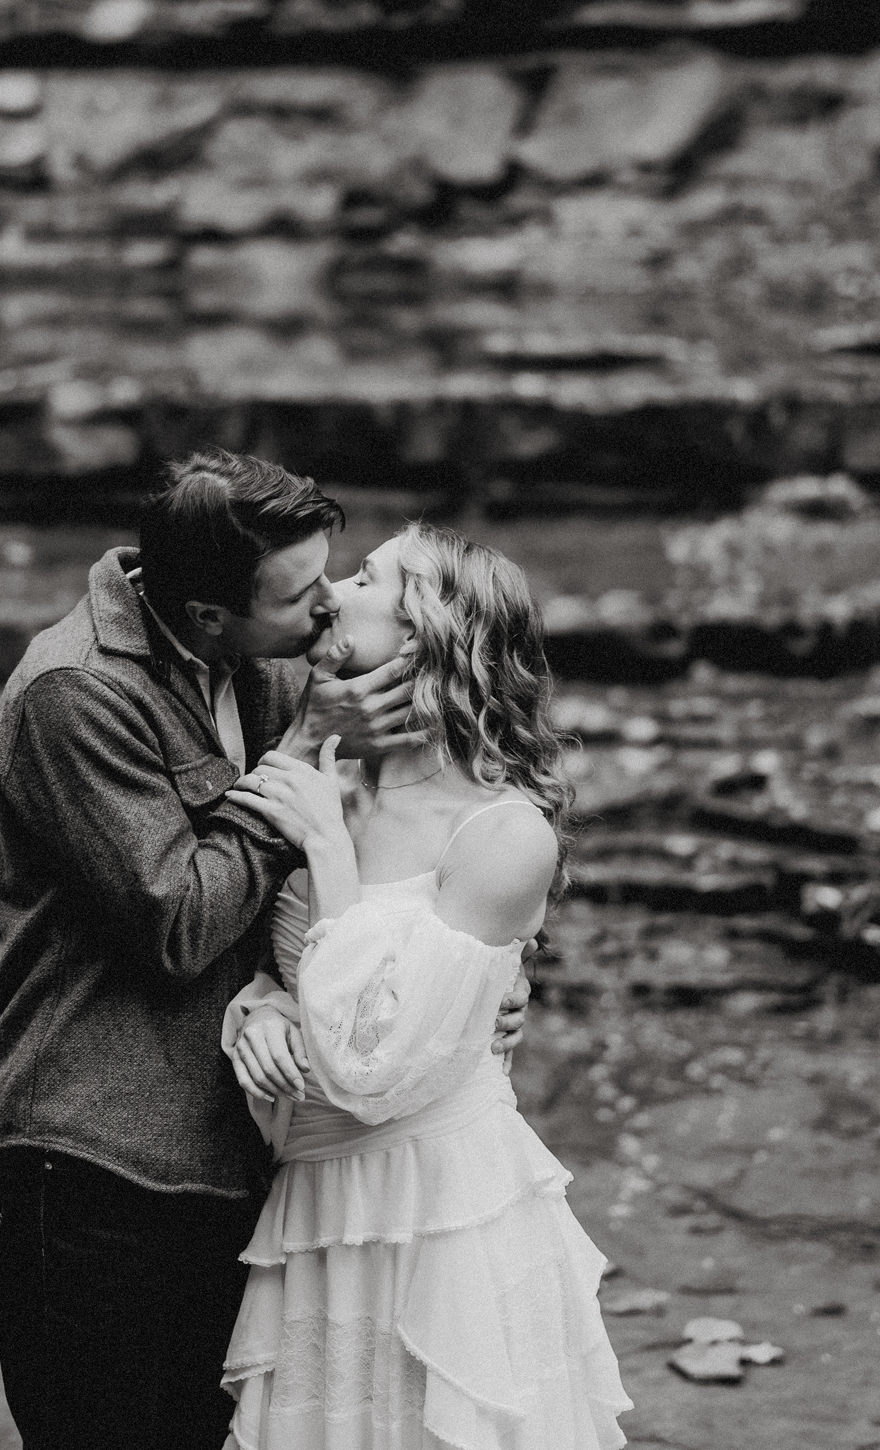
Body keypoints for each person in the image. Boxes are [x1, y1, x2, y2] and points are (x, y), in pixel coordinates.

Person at [0, 451, 528, 1450]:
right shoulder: (75, 693)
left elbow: (425, 843)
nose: (327, 604)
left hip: (248, 1162)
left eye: (332, 573)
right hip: (99, 1165)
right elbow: (181, 921)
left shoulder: (276, 657)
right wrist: (295, 761)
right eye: (298, 591)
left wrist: (482, 978)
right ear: (208, 614)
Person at [217, 522, 631, 1450]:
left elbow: (374, 1067)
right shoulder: (324, 769)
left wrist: (327, 848)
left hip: (438, 1206)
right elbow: (258, 952)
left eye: (365, 577)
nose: (331, 591)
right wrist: (260, 1009)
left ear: (423, 631)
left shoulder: (503, 835)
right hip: (316, 1203)